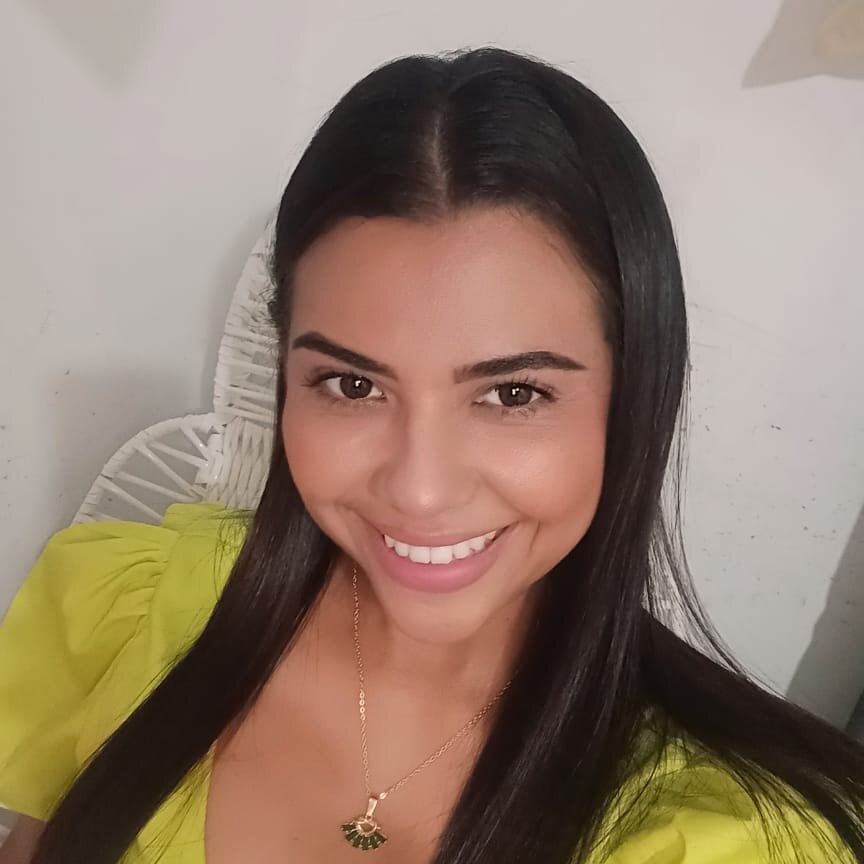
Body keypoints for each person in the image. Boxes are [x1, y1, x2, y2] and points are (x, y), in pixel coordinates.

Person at [0, 46, 862, 864]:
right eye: (351, 385)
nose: (418, 489)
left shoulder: (730, 835)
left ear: (631, 396)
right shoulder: (123, 610)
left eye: (513, 394)